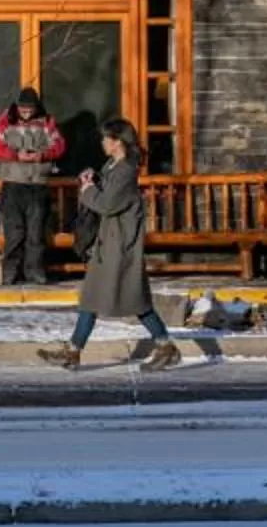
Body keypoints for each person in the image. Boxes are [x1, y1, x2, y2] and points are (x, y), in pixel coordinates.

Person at [38, 117, 178, 371]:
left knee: (133, 300)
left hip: (120, 246)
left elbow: (107, 204)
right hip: (109, 243)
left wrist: (89, 190)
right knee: (95, 298)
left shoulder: (125, 171)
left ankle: (165, 345)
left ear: (117, 142)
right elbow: (106, 192)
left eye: (106, 138)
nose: (102, 142)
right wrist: (93, 179)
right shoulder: (114, 165)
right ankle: (74, 350)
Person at [0, 86, 65, 286]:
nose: (27, 113)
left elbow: (59, 146)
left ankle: (35, 273)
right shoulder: (5, 120)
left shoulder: (47, 121)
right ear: (17, 106)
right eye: (23, 109)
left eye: (30, 109)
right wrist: (15, 155)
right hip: (13, 184)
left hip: (38, 184)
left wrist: (43, 155)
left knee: (36, 232)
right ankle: (11, 273)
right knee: (14, 232)